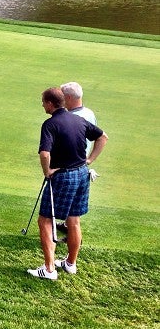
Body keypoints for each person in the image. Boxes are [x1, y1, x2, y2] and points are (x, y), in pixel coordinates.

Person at [27, 87, 107, 280]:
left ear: (50, 103)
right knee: (73, 220)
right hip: (81, 174)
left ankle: (49, 269)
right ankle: (70, 263)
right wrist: (89, 161)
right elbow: (102, 137)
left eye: (43, 101)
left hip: (63, 176)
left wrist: (47, 171)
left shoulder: (50, 124)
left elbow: (45, 153)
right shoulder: (79, 120)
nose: (42, 105)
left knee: (45, 220)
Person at [56, 81, 99, 235]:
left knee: (66, 206)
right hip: (81, 164)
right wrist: (89, 160)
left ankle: (71, 235)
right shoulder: (89, 113)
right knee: (74, 206)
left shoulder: (68, 118)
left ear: (67, 98)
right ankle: (68, 226)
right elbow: (101, 137)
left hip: (69, 164)